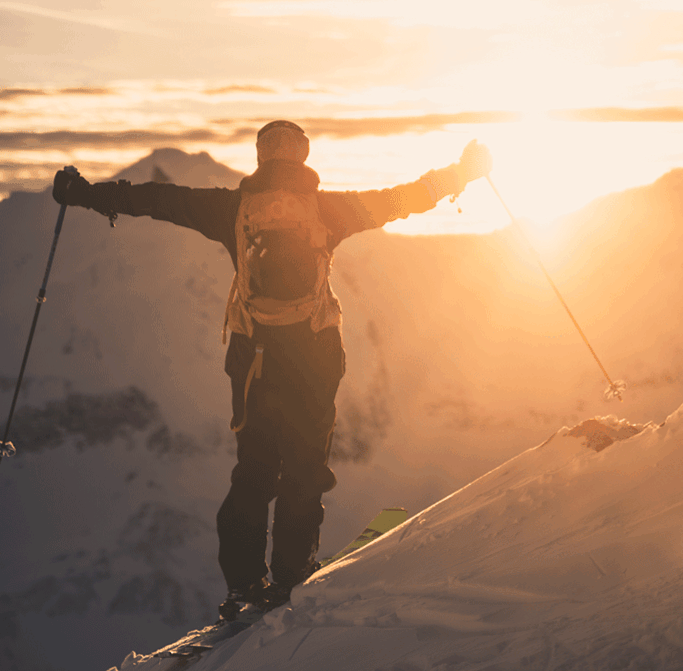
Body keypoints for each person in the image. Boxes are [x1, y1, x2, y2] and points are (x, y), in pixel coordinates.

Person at [51, 121, 493, 620]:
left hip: (253, 358)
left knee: (254, 469)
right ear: (304, 159)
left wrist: (85, 193)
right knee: (304, 467)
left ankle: (242, 582)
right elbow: (404, 198)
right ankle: (291, 575)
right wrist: (462, 173)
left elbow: (156, 199)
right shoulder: (330, 210)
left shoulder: (230, 209)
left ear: (260, 158)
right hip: (314, 354)